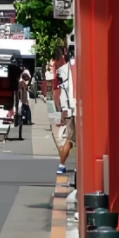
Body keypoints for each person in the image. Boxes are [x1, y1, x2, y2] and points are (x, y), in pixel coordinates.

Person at [55, 47, 76, 175]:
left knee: (70, 139)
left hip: (69, 109)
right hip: (79, 108)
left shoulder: (63, 70)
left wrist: (62, 111)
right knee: (73, 140)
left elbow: (61, 92)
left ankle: (61, 165)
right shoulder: (80, 66)